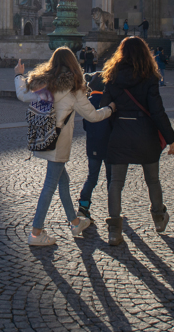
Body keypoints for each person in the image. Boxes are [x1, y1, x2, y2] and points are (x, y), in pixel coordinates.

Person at [15, 48, 114, 247]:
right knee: (50, 185)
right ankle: (36, 232)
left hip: (44, 137)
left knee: (63, 181)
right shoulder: (74, 89)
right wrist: (110, 109)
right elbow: (93, 116)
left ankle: (75, 222)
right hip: (59, 143)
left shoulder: (43, 83)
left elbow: (21, 94)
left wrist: (19, 74)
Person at [100, 36, 174, 246]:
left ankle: (114, 231)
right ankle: (159, 218)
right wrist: (171, 138)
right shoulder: (149, 77)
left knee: (116, 183)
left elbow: (104, 104)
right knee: (153, 180)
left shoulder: (112, 76)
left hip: (121, 132)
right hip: (145, 133)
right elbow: (157, 110)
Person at [77, 71, 112, 221]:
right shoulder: (109, 102)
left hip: (93, 146)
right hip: (110, 146)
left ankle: (83, 208)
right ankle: (114, 210)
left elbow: (85, 125)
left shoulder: (88, 102)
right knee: (112, 179)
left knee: (92, 178)